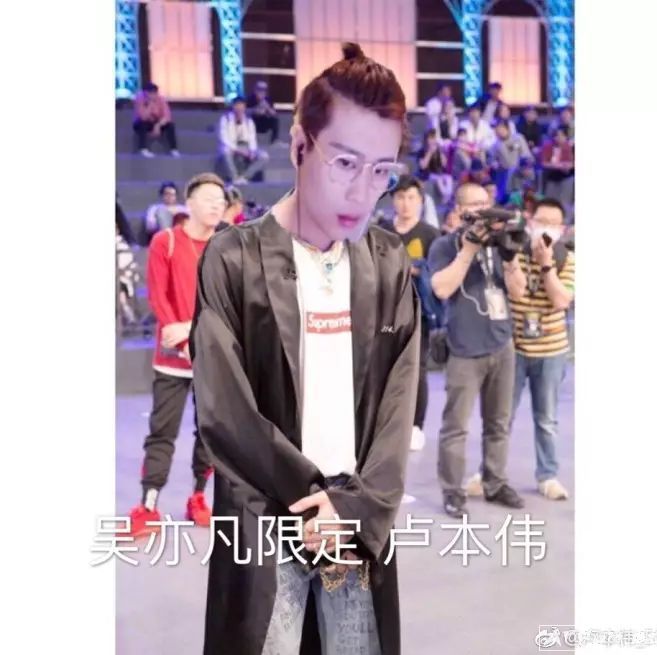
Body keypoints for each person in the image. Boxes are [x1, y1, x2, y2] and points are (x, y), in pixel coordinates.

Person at [191, 42, 419, 655]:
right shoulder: (234, 257)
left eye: (382, 171)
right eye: (345, 162)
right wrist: (307, 497)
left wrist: (354, 506)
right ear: (299, 145)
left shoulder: (387, 262)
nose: (363, 191)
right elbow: (223, 406)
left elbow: (400, 402)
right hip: (268, 511)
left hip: (353, 521)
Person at [124, 172, 227, 540]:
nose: (217, 205)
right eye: (209, 198)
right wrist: (181, 337)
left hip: (212, 357)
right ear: (190, 203)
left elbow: (228, 303)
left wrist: (191, 331)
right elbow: (159, 297)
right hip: (172, 358)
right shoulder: (165, 241)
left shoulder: (226, 246)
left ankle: (198, 497)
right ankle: (148, 505)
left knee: (210, 434)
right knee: (161, 432)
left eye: (221, 200)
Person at [429, 182, 525, 519]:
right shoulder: (444, 245)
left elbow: (519, 292)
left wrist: (510, 259)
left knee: (499, 422)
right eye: (474, 206)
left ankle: (495, 482)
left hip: (502, 343)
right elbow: (441, 289)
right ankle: (453, 491)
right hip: (464, 348)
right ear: (459, 212)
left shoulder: (500, 243)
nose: (483, 211)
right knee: (456, 426)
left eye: (486, 203)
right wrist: (468, 250)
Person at [508, 198, 575, 499]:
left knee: (546, 419)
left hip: (551, 350)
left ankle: (547, 475)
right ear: (530, 221)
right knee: (501, 416)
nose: (546, 228)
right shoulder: (515, 251)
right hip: (513, 347)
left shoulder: (568, 259)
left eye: (553, 224)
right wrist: (514, 258)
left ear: (562, 229)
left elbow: (561, 300)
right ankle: (489, 472)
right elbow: (516, 291)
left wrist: (547, 264)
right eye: (541, 221)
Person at [380, 175, 441, 452]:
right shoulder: (381, 231)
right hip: (385, 311)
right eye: (400, 197)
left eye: (411, 198)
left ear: (420, 201)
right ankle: (386, 424)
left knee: (418, 369)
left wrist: (413, 270)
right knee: (385, 369)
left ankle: (416, 425)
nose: (405, 203)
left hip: (420, 312)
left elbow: (436, 272)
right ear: (393, 199)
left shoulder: (430, 234)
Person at [217, 96, 270, 185]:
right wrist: (237, 150)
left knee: (264, 156)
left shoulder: (249, 121)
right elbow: (224, 138)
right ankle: (235, 178)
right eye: (237, 105)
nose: (239, 108)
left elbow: (252, 138)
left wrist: (252, 151)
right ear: (233, 106)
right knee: (225, 152)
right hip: (232, 146)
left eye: (242, 106)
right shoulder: (225, 119)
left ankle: (245, 177)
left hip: (246, 146)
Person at [489, 119, 533, 204]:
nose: (499, 132)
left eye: (501, 129)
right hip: (504, 173)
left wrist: (524, 165)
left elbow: (526, 155)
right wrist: (495, 164)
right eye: (497, 130)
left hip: (520, 171)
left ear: (507, 128)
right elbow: (492, 160)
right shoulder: (495, 146)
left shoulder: (518, 138)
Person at [132, 82, 180, 158]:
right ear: (145, 93)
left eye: (154, 93)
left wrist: (158, 125)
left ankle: (174, 149)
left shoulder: (161, 99)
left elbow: (167, 116)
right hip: (143, 122)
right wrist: (150, 104)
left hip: (157, 122)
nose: (152, 95)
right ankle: (143, 149)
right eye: (149, 93)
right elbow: (143, 117)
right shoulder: (139, 99)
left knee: (170, 125)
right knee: (142, 124)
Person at [417, 128, 454, 204]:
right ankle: (445, 196)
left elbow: (444, 164)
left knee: (449, 178)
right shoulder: (421, 151)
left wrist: (440, 151)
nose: (433, 140)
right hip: (427, 174)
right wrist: (430, 152)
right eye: (430, 138)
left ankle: (448, 196)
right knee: (439, 179)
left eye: (434, 138)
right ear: (426, 139)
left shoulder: (439, 150)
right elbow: (423, 166)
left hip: (440, 173)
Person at [541, 126, 575, 209]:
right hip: (552, 176)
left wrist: (568, 165)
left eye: (561, 135)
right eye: (556, 136)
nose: (558, 138)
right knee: (550, 203)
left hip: (567, 177)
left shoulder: (571, 147)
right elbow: (543, 163)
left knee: (564, 203)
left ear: (566, 137)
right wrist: (556, 166)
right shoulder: (548, 146)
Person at [246, 80, 283, 145]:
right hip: (253, 122)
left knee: (275, 119)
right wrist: (255, 110)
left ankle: (274, 141)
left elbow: (274, 114)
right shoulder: (250, 98)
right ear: (255, 90)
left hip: (263, 122)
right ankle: (247, 140)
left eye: (264, 90)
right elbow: (244, 112)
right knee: (247, 120)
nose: (262, 92)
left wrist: (267, 107)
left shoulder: (268, 99)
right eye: (259, 90)